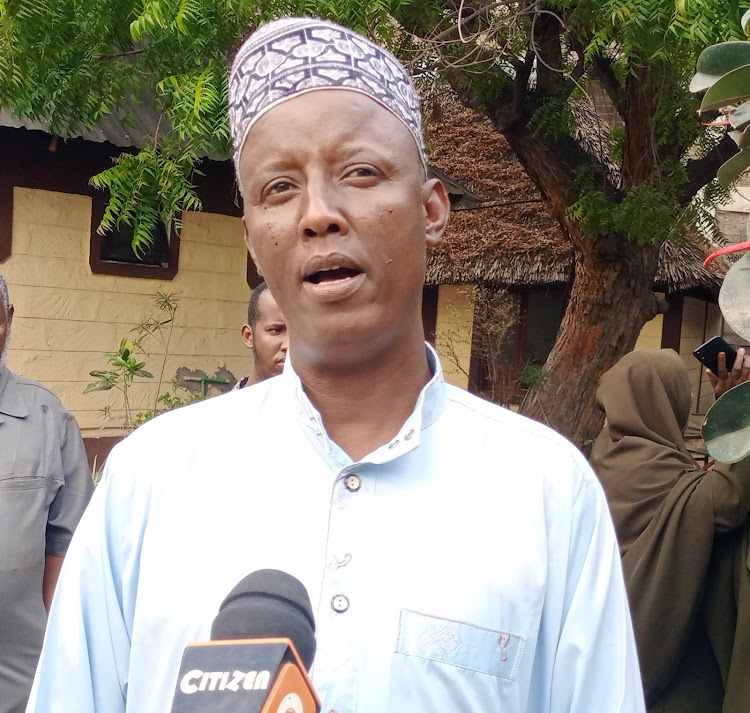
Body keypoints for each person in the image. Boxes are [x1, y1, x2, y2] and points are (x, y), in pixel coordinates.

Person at [27, 18, 644, 713]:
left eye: (360, 172)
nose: (319, 214)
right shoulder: (152, 481)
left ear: (432, 208)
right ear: (254, 241)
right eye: (279, 189)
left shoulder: (547, 494)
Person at [590, 349, 750, 713]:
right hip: (666, 666)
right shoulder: (648, 463)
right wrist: (742, 411)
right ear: (666, 400)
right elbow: (724, 502)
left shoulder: (606, 455)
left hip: (612, 654)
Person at [0, 273, 93, 713]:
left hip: (21, 677)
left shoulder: (47, 418)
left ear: (9, 318)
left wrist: (60, 647)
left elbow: (69, 539)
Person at [235, 281, 288, 389]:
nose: (288, 345)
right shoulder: (222, 406)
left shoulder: (327, 405)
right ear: (248, 336)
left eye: (300, 332)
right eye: (276, 331)